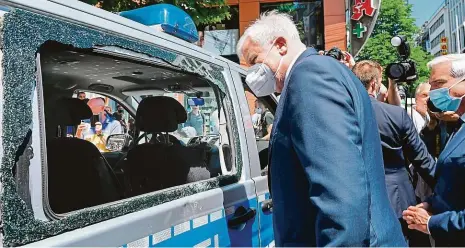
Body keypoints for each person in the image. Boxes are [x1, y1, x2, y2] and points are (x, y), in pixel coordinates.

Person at [236, 11, 406, 246]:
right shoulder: (322, 70)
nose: (253, 73)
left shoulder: (309, 76)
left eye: (254, 60)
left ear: (281, 46)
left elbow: (342, 201)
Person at [352, 60, 436, 246]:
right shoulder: (395, 115)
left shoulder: (343, 114)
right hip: (400, 203)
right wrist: (445, 192)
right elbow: (423, 161)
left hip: (355, 201)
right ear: (374, 83)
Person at [403, 54, 465, 247]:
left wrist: (431, 222)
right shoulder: (459, 126)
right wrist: (432, 203)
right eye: (431, 85)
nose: (434, 92)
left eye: (440, 83)